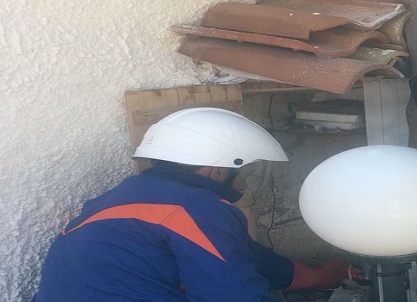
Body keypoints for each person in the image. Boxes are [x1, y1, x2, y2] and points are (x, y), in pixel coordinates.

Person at [32, 107, 361, 302]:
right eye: (245, 170)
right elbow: (234, 292)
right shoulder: (195, 208)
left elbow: (243, 257)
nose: (246, 180)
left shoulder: (131, 195)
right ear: (218, 171)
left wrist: (320, 277)